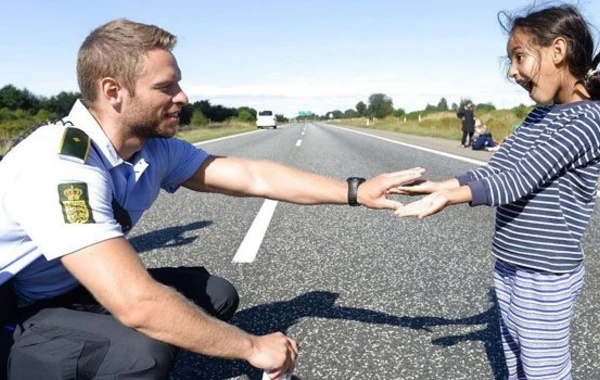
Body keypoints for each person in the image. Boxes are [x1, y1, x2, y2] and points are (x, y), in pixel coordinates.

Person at [0, 19, 425, 380]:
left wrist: (355, 191)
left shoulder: (150, 147)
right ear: (113, 91)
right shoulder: (61, 164)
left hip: (68, 286)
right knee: (139, 350)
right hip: (15, 305)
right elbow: (135, 302)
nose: (182, 97)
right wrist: (252, 347)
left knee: (214, 295)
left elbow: (251, 175)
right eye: (166, 87)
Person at [395, 4, 600, 380]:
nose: (512, 71)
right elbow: (498, 169)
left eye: (520, 57)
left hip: (545, 273)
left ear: (558, 51)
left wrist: (448, 199)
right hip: (509, 263)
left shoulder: (588, 121)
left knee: (544, 372)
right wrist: (441, 184)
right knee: (515, 364)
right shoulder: (540, 116)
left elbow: (520, 179)